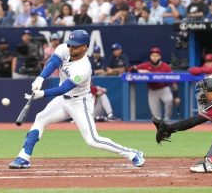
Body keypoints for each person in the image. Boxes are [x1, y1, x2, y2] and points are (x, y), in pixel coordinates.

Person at [8, 30, 145, 169]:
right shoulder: (64, 48)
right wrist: (41, 77)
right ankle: (24, 157)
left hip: (80, 102)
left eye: (75, 46)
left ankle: (132, 153)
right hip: (63, 100)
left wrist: (42, 93)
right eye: (70, 45)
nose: (71, 48)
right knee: (40, 118)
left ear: (85, 47)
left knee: (93, 140)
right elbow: (53, 63)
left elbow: (65, 88)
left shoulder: (84, 68)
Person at [128, 47, 180, 121]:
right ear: (150, 57)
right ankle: (160, 127)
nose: (154, 58)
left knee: (169, 100)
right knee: (156, 116)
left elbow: (174, 81)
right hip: (152, 91)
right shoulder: (146, 65)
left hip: (164, 88)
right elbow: (131, 69)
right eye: (152, 56)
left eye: (156, 56)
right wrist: (139, 71)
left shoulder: (165, 66)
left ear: (160, 57)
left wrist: (176, 96)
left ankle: (167, 119)